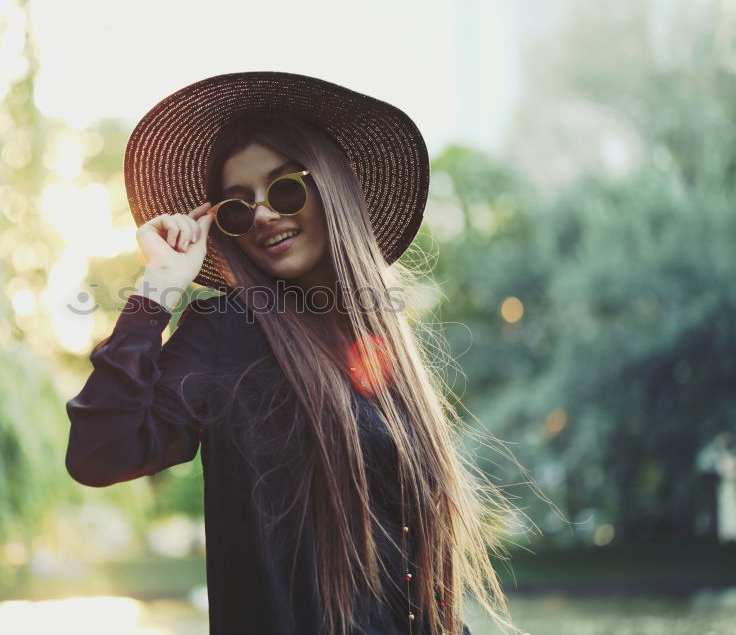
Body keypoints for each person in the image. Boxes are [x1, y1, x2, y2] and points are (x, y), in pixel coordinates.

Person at [65, 71, 525, 634]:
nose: (261, 214)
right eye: (236, 207)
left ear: (330, 189)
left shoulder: (384, 353)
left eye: (285, 188)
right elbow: (100, 450)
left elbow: (419, 591)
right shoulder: (225, 331)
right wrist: (160, 284)